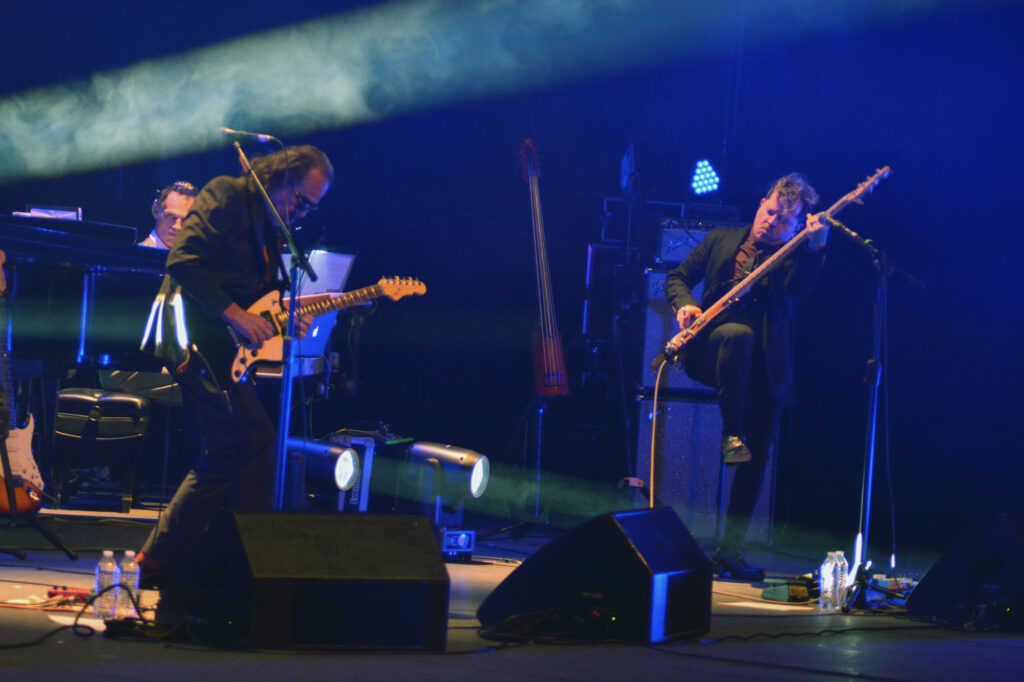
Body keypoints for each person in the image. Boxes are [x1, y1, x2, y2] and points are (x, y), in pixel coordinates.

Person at [136, 146, 332, 600]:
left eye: (310, 207)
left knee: (231, 448)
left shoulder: (269, 224)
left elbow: (260, 293)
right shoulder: (227, 194)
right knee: (252, 439)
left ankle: (164, 560)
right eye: (300, 200)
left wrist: (288, 315)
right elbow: (183, 261)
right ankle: (244, 561)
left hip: (222, 347)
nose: (300, 212)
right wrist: (235, 316)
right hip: (193, 338)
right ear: (278, 176)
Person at [664, 173, 829, 580]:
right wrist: (684, 306)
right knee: (737, 335)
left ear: (795, 225)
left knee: (755, 459)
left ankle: (729, 551)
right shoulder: (722, 238)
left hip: (763, 370)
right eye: (769, 212)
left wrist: (815, 247)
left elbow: (795, 292)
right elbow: (678, 278)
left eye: (782, 220)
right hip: (712, 352)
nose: (772, 222)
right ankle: (730, 431)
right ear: (761, 203)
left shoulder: (793, 253)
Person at [140, 181, 198, 249]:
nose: (178, 227)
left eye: (185, 220)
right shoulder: (137, 256)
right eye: (172, 217)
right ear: (156, 210)